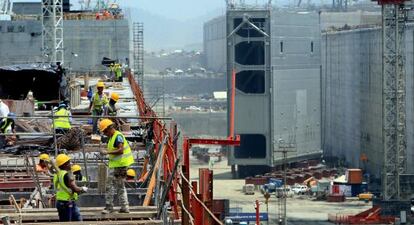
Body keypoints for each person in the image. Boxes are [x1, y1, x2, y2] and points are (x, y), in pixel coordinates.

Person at [99, 119, 133, 214]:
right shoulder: (113, 136)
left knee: (109, 186)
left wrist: (107, 152)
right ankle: (124, 207)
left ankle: (109, 207)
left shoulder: (117, 136)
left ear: (110, 128)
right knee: (120, 186)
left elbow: (120, 150)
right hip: (118, 165)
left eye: (105, 131)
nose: (105, 134)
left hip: (119, 166)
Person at [54, 154, 88, 222]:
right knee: (77, 221)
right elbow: (75, 189)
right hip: (67, 204)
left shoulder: (58, 174)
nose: (71, 164)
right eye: (69, 162)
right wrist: (83, 189)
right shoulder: (68, 175)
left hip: (60, 202)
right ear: (64, 165)